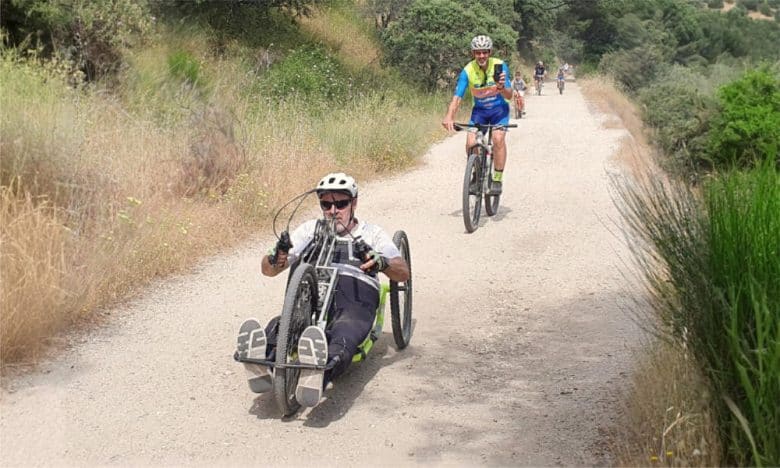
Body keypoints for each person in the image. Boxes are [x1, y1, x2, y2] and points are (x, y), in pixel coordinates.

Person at [237, 172, 410, 409]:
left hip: (355, 294)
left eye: (341, 203)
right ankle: (261, 362)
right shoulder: (309, 230)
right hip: (313, 293)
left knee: (345, 330)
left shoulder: (372, 233)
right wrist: (276, 256)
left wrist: (382, 262)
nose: (333, 210)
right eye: (326, 204)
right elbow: (268, 270)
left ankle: (318, 374)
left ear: (354, 203)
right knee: (283, 325)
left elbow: (403, 272)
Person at [442, 35, 513, 195]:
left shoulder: (500, 66)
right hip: (480, 112)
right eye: (478, 52)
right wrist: (449, 116)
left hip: (499, 110)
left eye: (485, 52)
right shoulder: (467, 71)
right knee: (470, 142)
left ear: (490, 52)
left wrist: (501, 87)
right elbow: (457, 97)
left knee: (498, 139)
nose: (481, 56)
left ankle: (497, 178)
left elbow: (509, 96)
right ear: (473, 53)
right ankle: (475, 174)